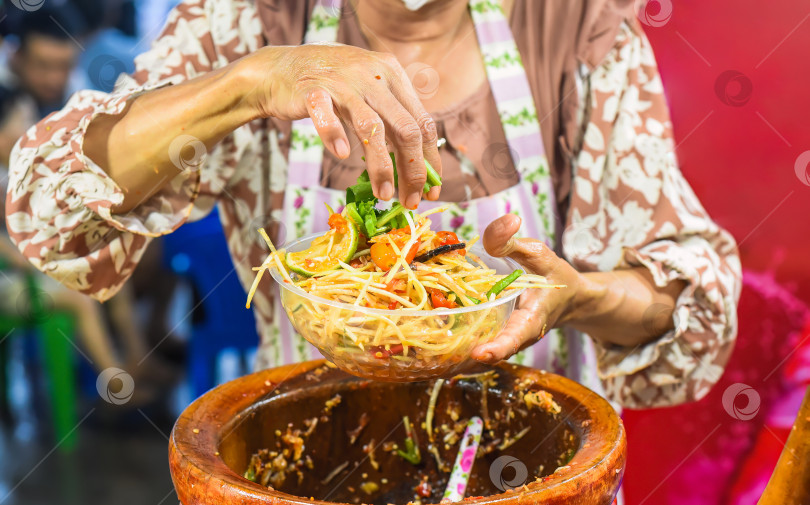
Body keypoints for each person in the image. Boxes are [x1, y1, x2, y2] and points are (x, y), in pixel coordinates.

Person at [6, 0, 741, 409]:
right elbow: (47, 212)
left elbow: (688, 293)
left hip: (530, 466)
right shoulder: (250, 22)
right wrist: (248, 83)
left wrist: (582, 297)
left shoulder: (574, 25)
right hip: (305, 454)